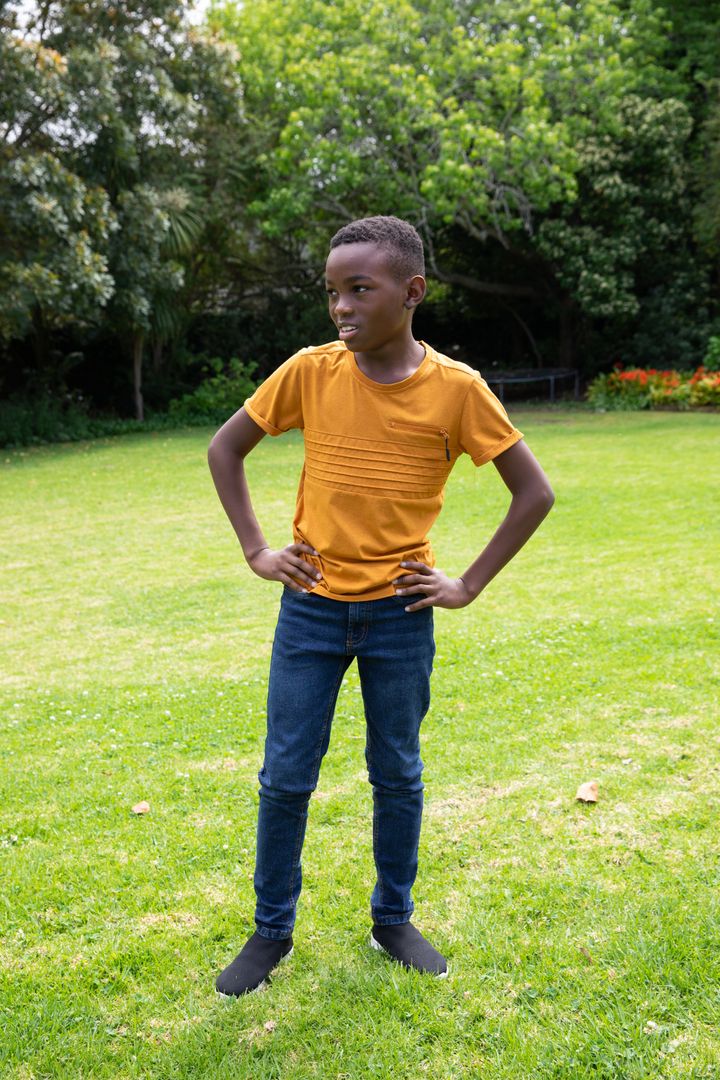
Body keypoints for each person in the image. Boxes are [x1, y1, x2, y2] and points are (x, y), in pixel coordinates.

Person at [208, 215, 554, 997]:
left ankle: (392, 918)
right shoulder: (309, 372)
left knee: (396, 772)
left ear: (412, 291)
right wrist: (258, 551)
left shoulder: (458, 391)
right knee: (285, 776)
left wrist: (465, 584)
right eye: (333, 292)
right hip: (312, 612)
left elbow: (534, 493)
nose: (341, 308)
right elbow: (224, 448)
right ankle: (271, 933)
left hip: (401, 615)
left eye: (359, 289)